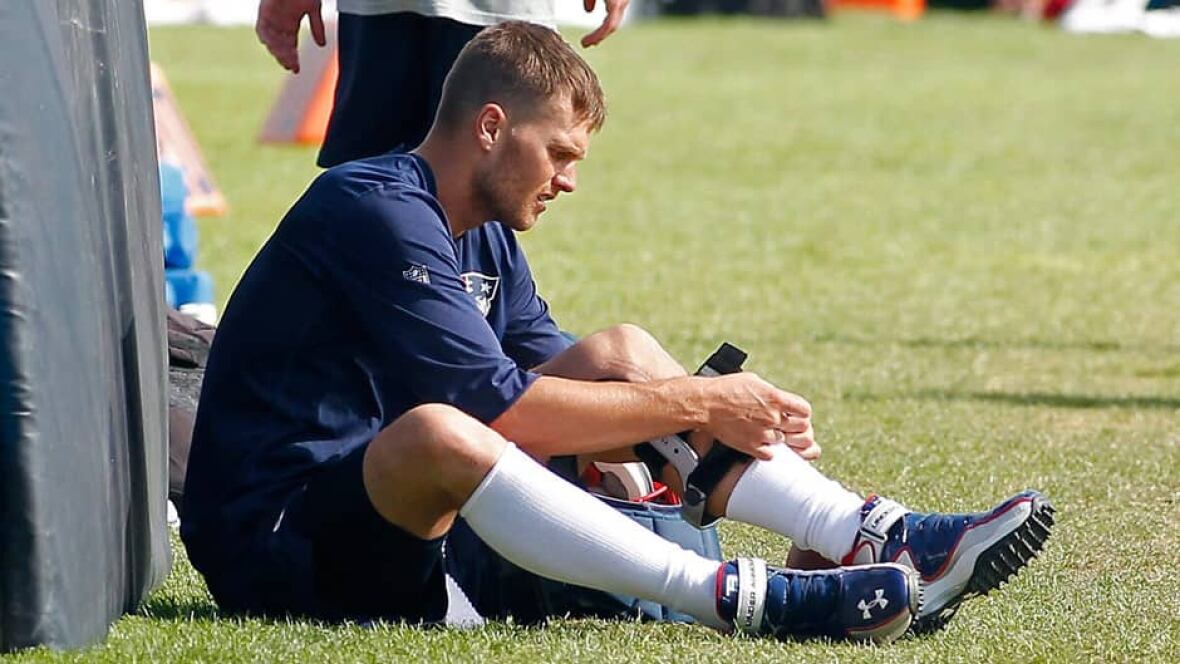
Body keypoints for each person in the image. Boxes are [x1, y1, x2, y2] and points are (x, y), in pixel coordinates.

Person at [182, 22, 1054, 642]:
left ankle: (862, 530)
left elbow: (578, 381)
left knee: (621, 352)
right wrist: (698, 399)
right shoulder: (373, 207)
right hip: (283, 541)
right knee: (442, 434)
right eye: (559, 153)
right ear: (492, 128)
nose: (567, 181)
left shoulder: (479, 227)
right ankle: (744, 598)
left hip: (408, 535)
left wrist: (671, 418)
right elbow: (504, 414)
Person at [254, 0, 630, 168]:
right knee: (367, 182)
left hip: (496, 9)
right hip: (385, 9)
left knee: (493, 179)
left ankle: (466, 320)